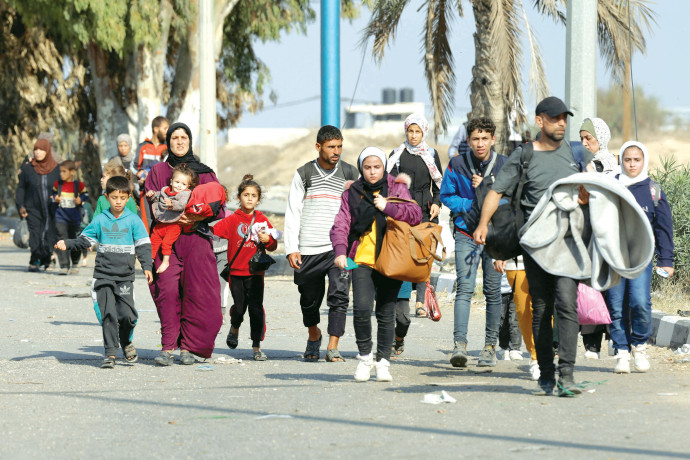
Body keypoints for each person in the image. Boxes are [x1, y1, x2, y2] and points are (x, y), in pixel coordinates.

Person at [473, 96, 595, 396]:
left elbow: (594, 191)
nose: (562, 123)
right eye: (555, 118)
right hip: (535, 244)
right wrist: (483, 224)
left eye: (565, 118)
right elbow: (496, 191)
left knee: (567, 304)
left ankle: (566, 374)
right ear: (540, 121)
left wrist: (586, 198)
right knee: (540, 308)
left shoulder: (576, 152)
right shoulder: (524, 155)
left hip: (568, 241)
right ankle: (545, 374)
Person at [330, 147, 422, 382]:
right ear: (361, 168)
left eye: (377, 167)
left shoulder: (396, 187)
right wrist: (340, 252)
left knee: (386, 311)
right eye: (368, 167)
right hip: (360, 259)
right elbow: (341, 223)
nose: (372, 172)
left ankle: (382, 362)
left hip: (391, 259)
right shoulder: (352, 192)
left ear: (384, 167)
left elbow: (415, 214)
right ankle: (364, 358)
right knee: (361, 309)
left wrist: (387, 206)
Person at [144, 122, 225, 366]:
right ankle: (168, 346)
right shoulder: (157, 171)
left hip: (196, 240)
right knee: (166, 291)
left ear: (190, 141)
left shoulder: (206, 173)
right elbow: (149, 206)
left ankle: (188, 348)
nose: (179, 142)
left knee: (196, 294)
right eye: (175, 138)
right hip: (165, 241)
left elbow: (218, 207)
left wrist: (198, 216)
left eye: (184, 138)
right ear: (168, 142)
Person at [55, 176, 153, 368]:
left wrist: (147, 266)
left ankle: (125, 342)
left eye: (123, 198)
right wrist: (67, 243)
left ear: (128, 199)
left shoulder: (133, 220)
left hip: (125, 276)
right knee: (108, 314)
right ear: (107, 197)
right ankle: (110, 354)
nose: (118, 202)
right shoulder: (100, 220)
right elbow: (85, 240)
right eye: (114, 197)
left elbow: (143, 245)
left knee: (127, 315)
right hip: (103, 275)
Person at [284, 125, 359, 362]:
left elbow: (358, 210)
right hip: (308, 247)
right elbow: (293, 211)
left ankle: (333, 345)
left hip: (339, 248)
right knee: (309, 299)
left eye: (339, 146)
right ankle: (313, 333)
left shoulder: (350, 173)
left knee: (339, 295)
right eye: (331, 147)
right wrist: (291, 248)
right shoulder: (304, 173)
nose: (336, 151)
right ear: (318, 147)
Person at [440, 117, 507, 368]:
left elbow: (510, 199)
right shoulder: (456, 164)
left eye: (485, 138)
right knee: (465, 289)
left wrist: (488, 198)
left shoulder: (504, 164)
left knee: (492, 291)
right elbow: (446, 195)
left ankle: (490, 347)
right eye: (475, 139)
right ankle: (459, 346)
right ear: (468, 140)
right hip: (466, 233)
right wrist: (471, 205)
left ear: (493, 139)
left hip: (494, 236)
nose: (480, 143)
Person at [607, 141, 674, 374]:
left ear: (643, 161)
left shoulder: (653, 191)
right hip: (614, 259)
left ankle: (639, 346)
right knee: (615, 307)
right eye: (627, 159)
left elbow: (664, 228)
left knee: (640, 303)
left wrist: (667, 260)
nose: (632, 164)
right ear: (620, 161)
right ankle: (622, 352)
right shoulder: (611, 186)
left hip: (641, 259)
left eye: (637, 160)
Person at [212, 175, 279, 361]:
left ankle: (256, 347)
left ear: (258, 199)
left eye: (253, 195)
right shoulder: (232, 220)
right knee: (240, 309)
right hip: (236, 273)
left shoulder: (262, 220)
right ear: (239, 197)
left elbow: (273, 245)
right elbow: (213, 231)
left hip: (256, 273)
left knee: (256, 309)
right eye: (246, 194)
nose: (249, 198)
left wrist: (269, 240)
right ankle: (235, 327)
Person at [388, 113, 443, 317]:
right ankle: (402, 299)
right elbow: (389, 184)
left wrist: (437, 204)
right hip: (403, 210)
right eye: (410, 131)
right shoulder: (397, 154)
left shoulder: (430, 154)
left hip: (426, 210)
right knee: (403, 254)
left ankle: (420, 302)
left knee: (423, 255)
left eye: (417, 132)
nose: (413, 135)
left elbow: (438, 184)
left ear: (423, 132)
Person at [579, 117, 618, 358]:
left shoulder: (617, 164)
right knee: (589, 286)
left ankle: (616, 338)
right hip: (588, 234)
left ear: (601, 138)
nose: (584, 143)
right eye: (582, 139)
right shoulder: (584, 165)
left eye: (589, 138)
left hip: (611, 234)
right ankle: (591, 342)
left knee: (613, 287)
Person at [15, 139, 61, 272]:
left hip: (52, 208)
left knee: (49, 233)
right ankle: (35, 258)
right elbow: (21, 188)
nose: (38, 152)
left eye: (41, 150)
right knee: (35, 233)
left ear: (47, 151)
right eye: (36, 150)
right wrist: (20, 206)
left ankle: (49, 259)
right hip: (32, 207)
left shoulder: (56, 168)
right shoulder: (27, 168)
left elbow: (63, 186)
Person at [146, 164, 197, 274]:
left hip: (174, 225)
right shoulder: (165, 190)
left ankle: (166, 261)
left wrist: (172, 203)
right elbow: (157, 196)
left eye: (183, 184)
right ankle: (150, 260)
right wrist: (152, 195)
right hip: (161, 222)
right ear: (171, 181)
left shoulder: (185, 194)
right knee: (154, 239)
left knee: (166, 243)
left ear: (188, 186)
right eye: (177, 182)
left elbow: (181, 205)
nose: (179, 186)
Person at [52, 160, 89, 275]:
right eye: (60, 171)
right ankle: (63, 265)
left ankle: (75, 263)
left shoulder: (79, 185)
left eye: (64, 171)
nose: (61, 174)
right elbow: (52, 195)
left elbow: (86, 195)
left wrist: (80, 199)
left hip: (74, 217)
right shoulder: (58, 184)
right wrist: (55, 198)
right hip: (61, 217)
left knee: (74, 239)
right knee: (61, 238)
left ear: (72, 172)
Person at [137, 116, 170, 231]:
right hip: (145, 192)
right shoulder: (143, 146)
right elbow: (134, 167)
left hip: (163, 193)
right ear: (156, 129)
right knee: (146, 224)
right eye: (165, 128)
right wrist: (139, 174)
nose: (167, 131)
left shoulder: (168, 147)